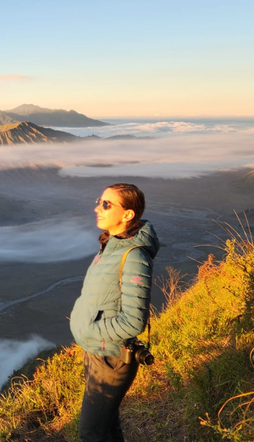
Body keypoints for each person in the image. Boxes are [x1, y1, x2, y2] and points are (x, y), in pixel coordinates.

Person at [69, 183, 160, 442]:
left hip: (110, 358)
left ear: (128, 214)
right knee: (106, 428)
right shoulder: (113, 245)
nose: (97, 207)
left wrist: (89, 330)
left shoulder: (134, 256)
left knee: (91, 432)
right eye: (99, 201)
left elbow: (133, 321)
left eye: (106, 204)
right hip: (97, 351)